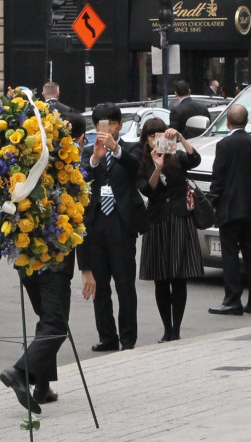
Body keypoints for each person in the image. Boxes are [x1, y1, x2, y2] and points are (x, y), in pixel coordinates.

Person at [0, 113, 90, 413]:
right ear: (75, 140)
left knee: (47, 320)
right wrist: (88, 268)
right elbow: (82, 223)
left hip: (26, 259)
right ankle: (20, 372)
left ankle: (43, 386)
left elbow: (3, 209)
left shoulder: (24, 166)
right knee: (56, 325)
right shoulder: (68, 173)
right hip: (54, 261)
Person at [79, 103, 149, 352]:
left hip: (121, 222)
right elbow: (82, 179)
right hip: (96, 223)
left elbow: (133, 168)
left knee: (125, 284)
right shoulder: (88, 151)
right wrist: (97, 157)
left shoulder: (131, 148)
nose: (105, 129)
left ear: (119, 125)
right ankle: (107, 337)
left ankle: (128, 338)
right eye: (100, 125)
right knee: (100, 285)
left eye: (110, 124)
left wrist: (115, 148)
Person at [137, 118, 204, 343]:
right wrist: (157, 166)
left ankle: (176, 329)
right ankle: (167, 328)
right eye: (151, 135)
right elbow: (147, 189)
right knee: (160, 278)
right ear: (145, 139)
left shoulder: (177, 156)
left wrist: (181, 138)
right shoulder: (143, 159)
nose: (156, 139)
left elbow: (195, 159)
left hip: (179, 218)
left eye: (160, 134)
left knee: (179, 277)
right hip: (157, 221)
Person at [208, 105, 251, 316]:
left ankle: (233, 299)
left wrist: (214, 201)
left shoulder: (224, 144)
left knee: (230, 255)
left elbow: (219, 176)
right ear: (246, 121)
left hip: (230, 206)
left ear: (229, 122)